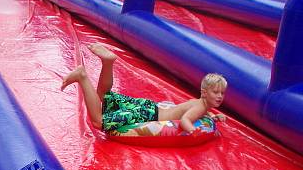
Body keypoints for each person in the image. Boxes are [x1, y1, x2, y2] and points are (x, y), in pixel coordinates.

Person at [61, 43, 227, 133]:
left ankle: (108, 63)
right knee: (98, 121)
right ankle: (82, 77)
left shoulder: (201, 104)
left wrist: (213, 116)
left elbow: (199, 110)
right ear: (204, 93)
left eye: (222, 93)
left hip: (148, 106)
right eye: (216, 92)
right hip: (147, 114)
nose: (220, 96)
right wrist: (193, 131)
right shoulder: (200, 106)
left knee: (104, 97)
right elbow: (185, 120)